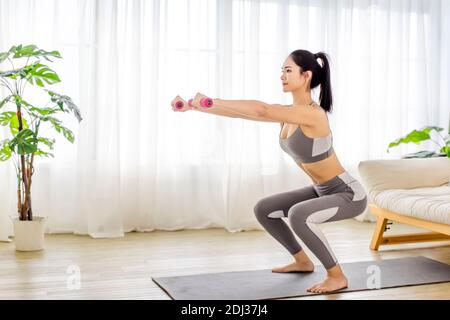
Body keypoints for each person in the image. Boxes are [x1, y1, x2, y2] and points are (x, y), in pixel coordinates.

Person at [171, 49, 368, 294]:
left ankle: (336, 276)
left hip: (348, 193)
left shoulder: (312, 114)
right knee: (264, 209)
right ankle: (302, 262)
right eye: (281, 71)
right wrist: (196, 106)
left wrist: (213, 100)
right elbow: (246, 113)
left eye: (288, 71)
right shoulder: (287, 114)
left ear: (306, 76)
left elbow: (260, 109)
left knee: (298, 215)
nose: (282, 76)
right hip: (322, 190)